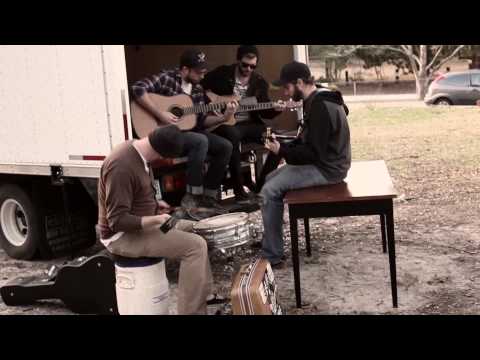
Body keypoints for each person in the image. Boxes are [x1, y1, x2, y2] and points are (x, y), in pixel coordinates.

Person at [97, 125, 225, 315]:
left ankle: (204, 296)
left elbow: (136, 196)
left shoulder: (139, 152)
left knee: (199, 229)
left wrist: (156, 204)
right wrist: (155, 220)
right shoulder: (121, 166)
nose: (163, 161)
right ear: (159, 151)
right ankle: (192, 312)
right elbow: (117, 221)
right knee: (194, 247)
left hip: (146, 226)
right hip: (122, 236)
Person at [259, 61, 352, 268]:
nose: (284, 93)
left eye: (287, 87)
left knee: (268, 190)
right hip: (326, 162)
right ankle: (273, 239)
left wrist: (281, 151)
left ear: (300, 83)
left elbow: (312, 153)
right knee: (270, 178)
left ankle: (272, 254)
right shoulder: (320, 96)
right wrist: (285, 146)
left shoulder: (319, 106)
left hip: (328, 169)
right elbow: (311, 142)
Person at [131, 49, 239, 214]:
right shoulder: (167, 78)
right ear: (184, 70)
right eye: (198, 72)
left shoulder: (197, 89)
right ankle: (192, 197)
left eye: (204, 71)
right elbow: (138, 89)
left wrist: (224, 117)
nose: (203, 76)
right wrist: (161, 114)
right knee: (199, 141)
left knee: (225, 146)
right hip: (163, 135)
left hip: (189, 133)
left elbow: (202, 121)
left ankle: (208, 198)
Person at [201, 45, 286, 202]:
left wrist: (276, 109)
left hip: (250, 124)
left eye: (252, 66)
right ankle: (239, 190)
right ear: (238, 60)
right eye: (245, 65)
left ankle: (261, 188)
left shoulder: (259, 82)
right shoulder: (222, 73)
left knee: (275, 140)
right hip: (227, 123)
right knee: (232, 136)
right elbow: (200, 86)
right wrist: (213, 104)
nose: (248, 69)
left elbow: (264, 111)